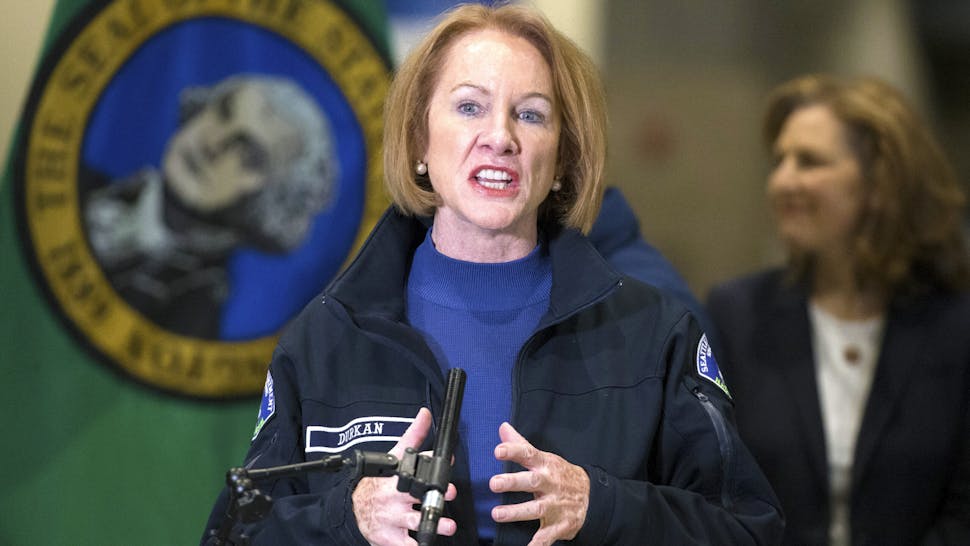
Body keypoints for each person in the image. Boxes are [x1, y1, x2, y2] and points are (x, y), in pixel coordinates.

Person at [202, 4, 782, 545]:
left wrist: (602, 507)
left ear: (561, 161)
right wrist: (346, 518)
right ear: (418, 141)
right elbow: (235, 531)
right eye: (469, 107)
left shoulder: (654, 333)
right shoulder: (328, 335)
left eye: (531, 115)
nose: (500, 138)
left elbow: (750, 529)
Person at [706, 74, 970, 545]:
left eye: (809, 162)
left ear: (880, 183)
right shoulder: (736, 315)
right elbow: (715, 491)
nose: (783, 180)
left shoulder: (954, 328)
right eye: (780, 160)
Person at [83, 75, 338, 337]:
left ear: (271, 201)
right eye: (223, 112)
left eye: (248, 155)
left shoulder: (193, 309)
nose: (212, 144)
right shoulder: (81, 187)